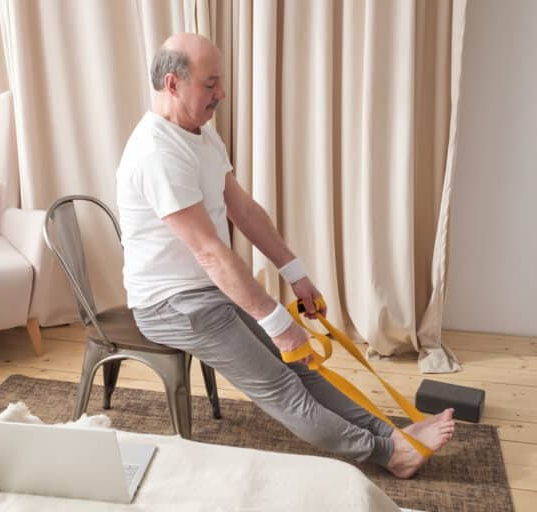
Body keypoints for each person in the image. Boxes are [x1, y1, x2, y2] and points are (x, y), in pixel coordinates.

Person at [115, 32, 454, 478]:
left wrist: (297, 275)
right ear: (174, 84)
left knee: (306, 369)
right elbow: (210, 251)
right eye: (210, 83)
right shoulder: (157, 153)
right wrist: (278, 324)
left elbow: (246, 212)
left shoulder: (200, 135)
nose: (221, 94)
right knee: (283, 385)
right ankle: (388, 454)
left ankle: (393, 435)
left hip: (208, 289)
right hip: (173, 304)